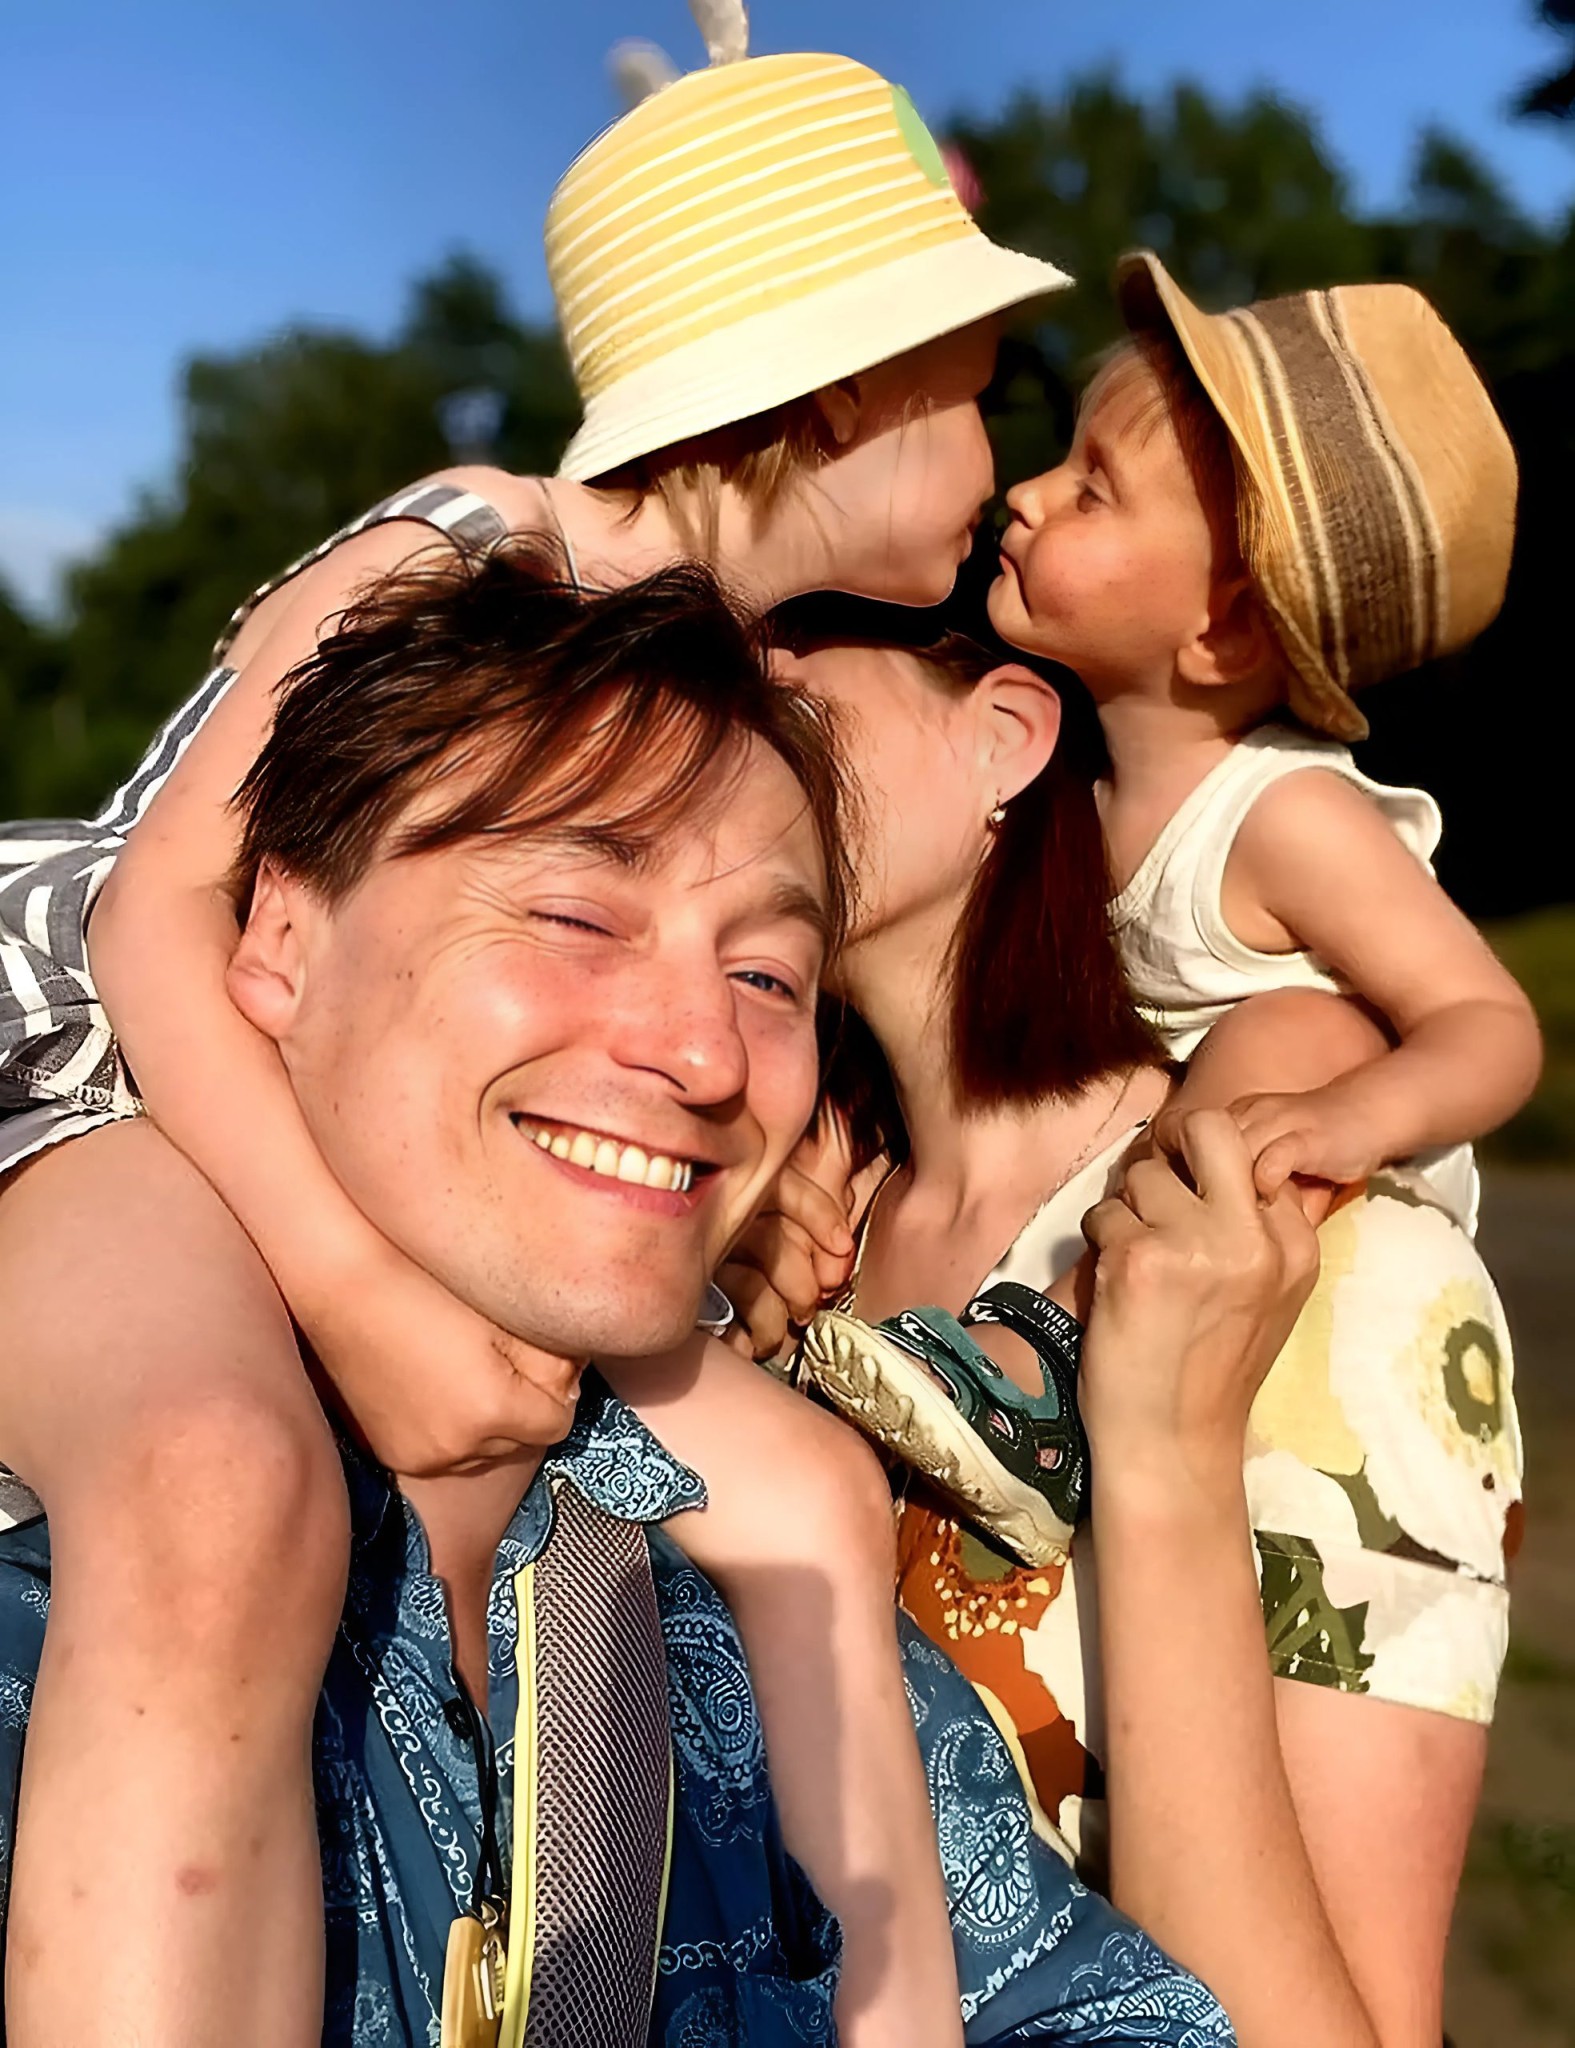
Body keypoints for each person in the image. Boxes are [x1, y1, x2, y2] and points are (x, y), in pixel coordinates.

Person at [0, 21, 1073, 2046]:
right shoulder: (478, 544)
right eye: (976, 395)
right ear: (839, 387)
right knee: (216, 1478)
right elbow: (159, 918)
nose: (1001, 470)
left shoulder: (737, 677)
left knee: (811, 1499)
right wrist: (355, 1295)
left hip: (294, 1085)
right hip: (105, 1072)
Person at [0, 547, 1242, 2048]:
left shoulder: (738, 1612)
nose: (706, 1057)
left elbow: (1093, 2013)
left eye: (770, 979)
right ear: (275, 936)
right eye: (577, 920)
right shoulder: (72, 1601)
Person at [734, 584, 1522, 2047]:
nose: (724, 760)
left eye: (789, 708)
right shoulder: (777, 1252)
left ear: (1005, 735)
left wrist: (1164, 1459)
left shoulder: (1325, 1262)